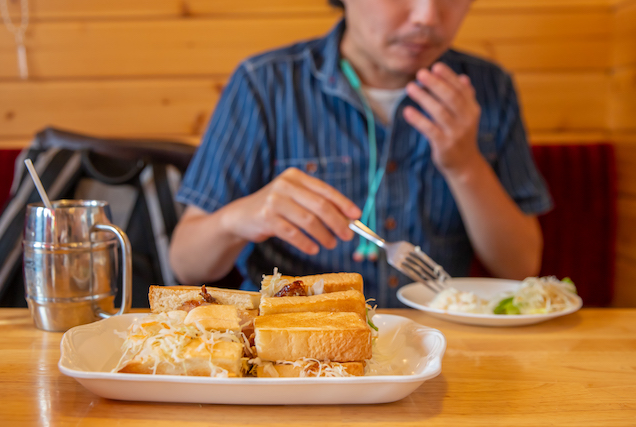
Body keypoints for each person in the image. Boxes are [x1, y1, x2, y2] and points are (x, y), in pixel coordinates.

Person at [170, 0, 552, 307]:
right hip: (293, 343)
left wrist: (465, 165)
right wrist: (238, 218)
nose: (427, 16)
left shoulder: (489, 89)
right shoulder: (265, 84)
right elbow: (186, 264)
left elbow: (520, 266)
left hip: (437, 343)